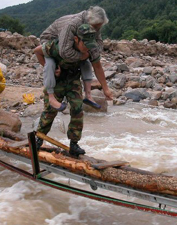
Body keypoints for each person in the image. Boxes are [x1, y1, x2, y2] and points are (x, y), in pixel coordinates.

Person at [36, 6, 113, 157]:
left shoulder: (89, 36)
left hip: (72, 76)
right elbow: (57, 51)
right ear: (76, 40)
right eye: (84, 45)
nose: (98, 30)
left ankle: (74, 144)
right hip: (57, 71)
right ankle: (38, 139)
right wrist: (50, 68)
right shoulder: (65, 35)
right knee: (50, 111)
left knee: (77, 109)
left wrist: (106, 89)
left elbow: (97, 64)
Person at [36, 6, 110, 111]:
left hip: (73, 44)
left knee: (86, 60)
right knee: (51, 63)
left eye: (99, 28)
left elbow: (97, 55)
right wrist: (82, 56)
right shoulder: (73, 24)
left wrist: (105, 88)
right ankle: (51, 97)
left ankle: (88, 95)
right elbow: (64, 51)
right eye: (96, 27)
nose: (97, 30)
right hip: (53, 39)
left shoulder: (94, 27)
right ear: (90, 22)